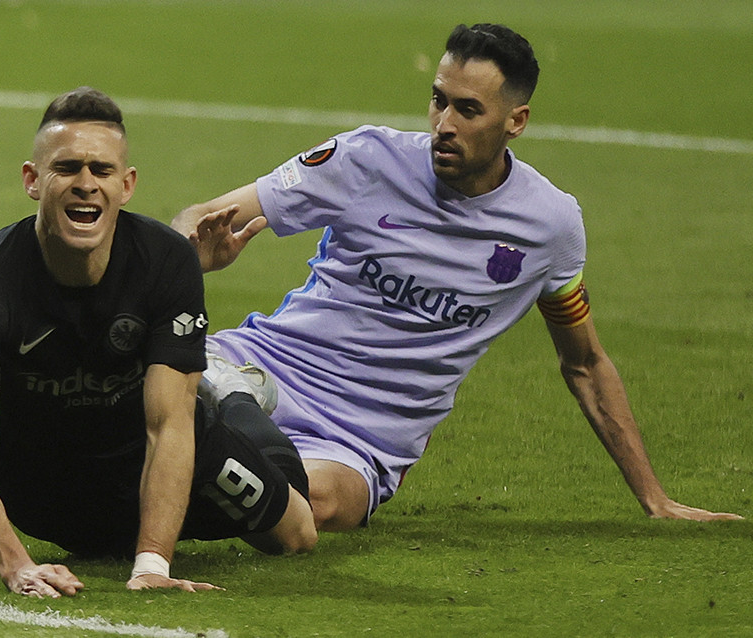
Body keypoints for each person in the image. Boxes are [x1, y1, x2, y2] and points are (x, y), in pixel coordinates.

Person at [171, 24, 743, 532]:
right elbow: (199, 220)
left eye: (468, 110)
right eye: (438, 101)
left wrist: (655, 498)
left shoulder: (550, 225)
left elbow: (586, 364)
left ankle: (211, 435)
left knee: (309, 505)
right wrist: (191, 255)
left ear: (515, 121)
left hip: (360, 438)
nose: (444, 124)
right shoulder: (364, 161)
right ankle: (212, 421)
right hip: (266, 364)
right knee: (132, 390)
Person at [0, 87, 316, 598]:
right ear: (33, 180)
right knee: (74, 535)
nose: (86, 184)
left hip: (147, 450)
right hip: (43, 479)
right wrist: (17, 567)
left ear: (127, 185)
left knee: (297, 533)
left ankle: (231, 392)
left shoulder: (166, 262)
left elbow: (170, 426)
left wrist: (153, 563)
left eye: (102, 170)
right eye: (67, 168)